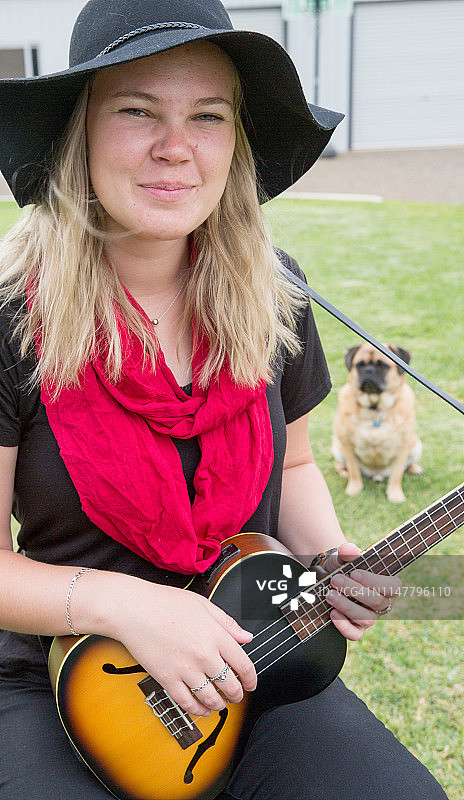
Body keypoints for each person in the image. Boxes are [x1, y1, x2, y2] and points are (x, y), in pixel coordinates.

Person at [0, 1, 449, 799]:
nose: (175, 147)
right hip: (61, 676)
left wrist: (329, 554)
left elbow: (297, 464)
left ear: (235, 143)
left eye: (207, 116)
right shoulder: (12, 317)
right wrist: (128, 606)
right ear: (80, 132)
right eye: (137, 111)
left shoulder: (276, 294)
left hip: (249, 654)